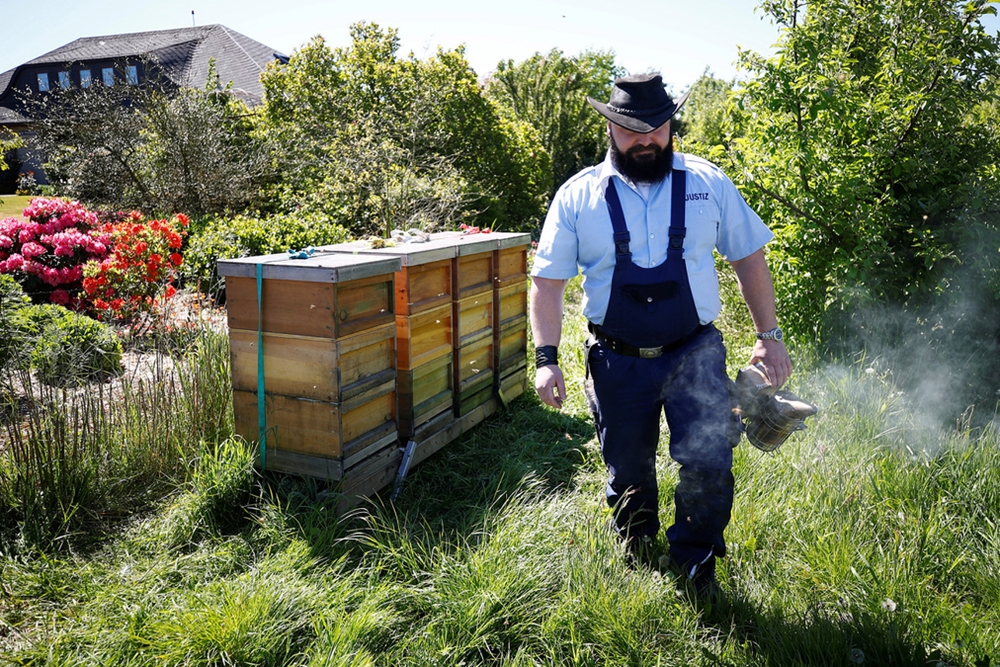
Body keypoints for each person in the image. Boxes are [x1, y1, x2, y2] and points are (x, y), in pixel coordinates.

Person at [530, 73, 792, 593]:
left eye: (656, 126)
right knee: (627, 467)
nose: (645, 138)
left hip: (694, 353)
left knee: (709, 461)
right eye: (631, 129)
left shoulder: (708, 183)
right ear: (609, 126)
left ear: (671, 123)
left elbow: (748, 256)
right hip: (616, 359)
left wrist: (770, 334)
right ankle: (636, 543)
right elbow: (547, 282)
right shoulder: (578, 196)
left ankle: (696, 561)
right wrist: (546, 358)